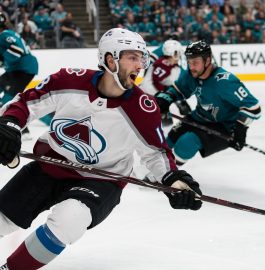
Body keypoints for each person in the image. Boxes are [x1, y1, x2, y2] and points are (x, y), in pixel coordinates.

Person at [0, 28, 202, 270]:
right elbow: (26, 102)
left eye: (141, 58)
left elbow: (156, 153)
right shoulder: (68, 80)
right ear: (110, 59)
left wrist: (175, 180)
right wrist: (11, 124)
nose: (140, 65)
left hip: (101, 181)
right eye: (132, 57)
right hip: (50, 166)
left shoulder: (143, 108)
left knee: (69, 218)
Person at [155, 40, 261, 165]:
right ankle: (158, 169)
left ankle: (169, 172)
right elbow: (179, 90)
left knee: (187, 143)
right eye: (189, 62)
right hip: (199, 117)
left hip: (224, 126)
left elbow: (253, 107)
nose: (191, 67)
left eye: (195, 62)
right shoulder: (191, 74)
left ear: (207, 60)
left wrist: (240, 129)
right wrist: (165, 99)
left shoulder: (225, 81)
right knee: (170, 138)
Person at [0, 12, 38, 139]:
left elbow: (17, 50)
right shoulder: (6, 34)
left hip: (24, 69)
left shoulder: (4, 35)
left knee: (10, 99)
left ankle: (24, 130)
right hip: (17, 69)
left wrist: (3, 59)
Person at [139, 39, 191, 125]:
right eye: (176, 53)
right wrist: (175, 100)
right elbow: (160, 82)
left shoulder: (161, 62)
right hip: (151, 98)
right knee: (161, 126)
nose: (178, 56)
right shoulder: (170, 67)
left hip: (148, 96)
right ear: (171, 53)